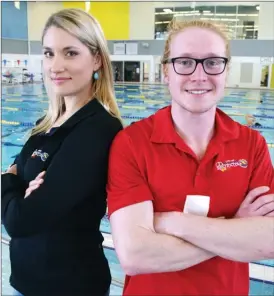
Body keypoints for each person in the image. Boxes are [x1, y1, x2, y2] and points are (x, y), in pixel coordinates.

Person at [107, 19, 274, 296]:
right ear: (166, 72)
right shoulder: (131, 143)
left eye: (212, 62)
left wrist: (171, 222)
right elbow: (135, 256)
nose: (199, 75)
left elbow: (268, 241)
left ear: (226, 71)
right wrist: (235, 229)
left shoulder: (251, 145)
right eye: (184, 62)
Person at [1, 8, 123, 296]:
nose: (55, 66)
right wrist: (18, 192)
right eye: (48, 53)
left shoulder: (98, 129)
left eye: (70, 53)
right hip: (26, 281)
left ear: (96, 59)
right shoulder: (46, 124)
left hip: (69, 283)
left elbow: (22, 220)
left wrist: (7, 182)